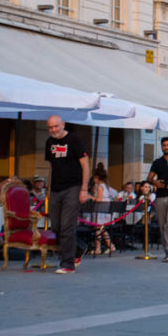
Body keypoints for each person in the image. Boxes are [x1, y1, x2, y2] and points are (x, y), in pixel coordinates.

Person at [44, 115, 89, 274]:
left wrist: (84, 189)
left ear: (63, 124)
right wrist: (48, 188)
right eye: (50, 127)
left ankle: (67, 264)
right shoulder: (49, 142)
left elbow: (85, 164)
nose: (53, 130)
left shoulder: (75, 140)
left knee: (67, 227)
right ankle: (79, 248)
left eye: (56, 126)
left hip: (73, 187)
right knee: (56, 226)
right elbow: (51, 166)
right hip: (56, 188)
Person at [90, 172, 115, 255]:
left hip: (100, 207)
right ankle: (110, 245)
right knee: (102, 228)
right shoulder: (106, 186)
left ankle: (98, 248)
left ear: (97, 178)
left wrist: (90, 197)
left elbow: (99, 199)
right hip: (105, 207)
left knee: (98, 228)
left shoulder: (100, 186)